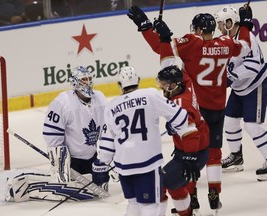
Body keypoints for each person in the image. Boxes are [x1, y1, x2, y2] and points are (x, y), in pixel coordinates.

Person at [127, 6, 251, 214]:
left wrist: (148, 28)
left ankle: (191, 196)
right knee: (214, 151)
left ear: (199, 29)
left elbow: (162, 51)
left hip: (195, 107)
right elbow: (245, 46)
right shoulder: (226, 43)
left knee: (186, 151)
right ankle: (214, 192)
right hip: (218, 105)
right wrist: (246, 24)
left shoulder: (192, 43)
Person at [98, 66, 201, 216]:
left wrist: (103, 164)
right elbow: (180, 116)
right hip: (147, 163)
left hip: (124, 166)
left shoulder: (111, 106)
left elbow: (107, 143)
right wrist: (174, 127)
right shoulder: (150, 95)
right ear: (138, 81)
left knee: (133, 205)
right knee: (149, 206)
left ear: (120, 85)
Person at [215, 5, 267, 181]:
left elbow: (252, 67)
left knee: (253, 126)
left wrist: (230, 77)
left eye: (222, 23)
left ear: (230, 22)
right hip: (240, 88)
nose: (219, 27)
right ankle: (236, 157)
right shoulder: (225, 39)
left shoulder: (248, 39)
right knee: (229, 122)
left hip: (256, 86)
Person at [43, 66, 110, 191]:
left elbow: (107, 133)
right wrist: (61, 165)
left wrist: (108, 158)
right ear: (75, 82)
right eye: (84, 79)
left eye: (89, 78)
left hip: (92, 158)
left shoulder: (100, 99)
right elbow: (52, 136)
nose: (88, 82)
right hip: (71, 161)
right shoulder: (63, 103)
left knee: (100, 188)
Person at [156, 65, 210, 216]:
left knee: (159, 184)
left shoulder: (179, 105)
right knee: (174, 184)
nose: (162, 88)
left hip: (192, 153)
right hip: (197, 149)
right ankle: (187, 213)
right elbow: (184, 72)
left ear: (174, 85)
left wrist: (190, 158)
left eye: (164, 84)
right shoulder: (187, 83)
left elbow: (191, 134)